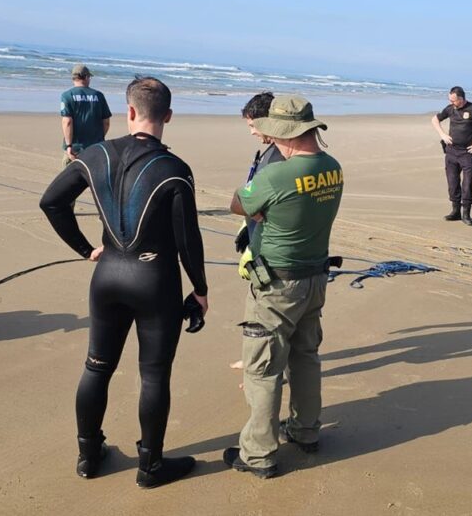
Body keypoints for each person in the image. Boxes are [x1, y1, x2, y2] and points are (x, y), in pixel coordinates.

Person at [40, 76, 208, 488]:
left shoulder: (95, 155)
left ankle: (88, 457)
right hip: (155, 281)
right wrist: (200, 290)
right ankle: (150, 468)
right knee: (154, 376)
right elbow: (188, 239)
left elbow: (52, 202)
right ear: (168, 116)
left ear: (128, 111)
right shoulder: (175, 170)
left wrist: (86, 249)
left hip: (108, 277)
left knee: (96, 368)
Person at [224, 95, 343, 479]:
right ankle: (306, 430)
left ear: (287, 134)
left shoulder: (277, 175)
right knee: (305, 356)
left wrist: (260, 205)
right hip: (315, 277)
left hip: (277, 284)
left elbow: (237, 203)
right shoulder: (333, 168)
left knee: (263, 368)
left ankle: (258, 454)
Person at [234, 92, 285, 279]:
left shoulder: (280, 159)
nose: (252, 132)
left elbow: (277, 212)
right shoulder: (272, 152)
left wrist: (254, 247)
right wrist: (247, 221)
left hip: (269, 255)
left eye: (252, 126)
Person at [431, 86, 472, 225]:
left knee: (467, 184)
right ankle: (456, 212)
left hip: (467, 153)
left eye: (453, 100)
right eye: (450, 100)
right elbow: (434, 120)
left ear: (461, 98)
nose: (451, 103)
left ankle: (466, 214)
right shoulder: (450, 109)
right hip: (451, 152)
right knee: (452, 183)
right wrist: (442, 134)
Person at [60, 64, 112, 166]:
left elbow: (67, 122)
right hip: (95, 146)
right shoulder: (98, 95)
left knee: (71, 174)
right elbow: (106, 122)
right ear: (86, 77)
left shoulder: (67, 96)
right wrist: (99, 137)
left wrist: (69, 145)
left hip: (75, 147)